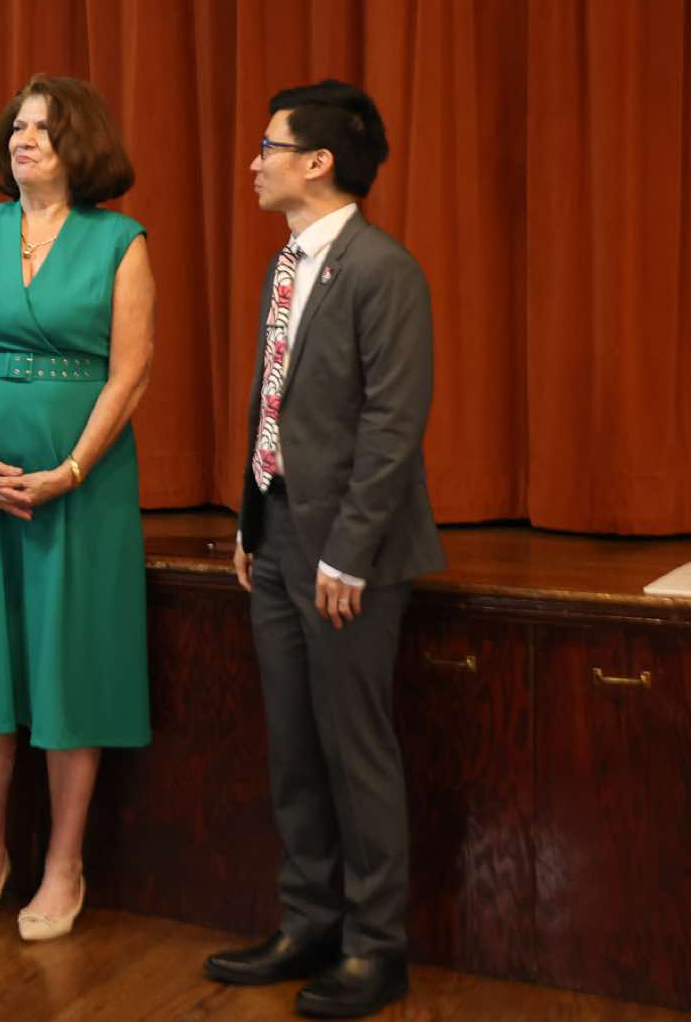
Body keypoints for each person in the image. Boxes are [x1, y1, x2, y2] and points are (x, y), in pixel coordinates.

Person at [203, 79, 442, 1018]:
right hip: (277, 535)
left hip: (351, 553)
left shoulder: (384, 269)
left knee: (355, 748)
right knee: (294, 746)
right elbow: (276, 401)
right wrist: (249, 519)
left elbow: (393, 423)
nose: (254, 162)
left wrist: (346, 552)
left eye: (269, 147)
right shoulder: (286, 263)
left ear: (318, 161)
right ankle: (308, 923)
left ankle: (376, 948)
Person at [0, 74, 155, 939]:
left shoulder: (120, 241)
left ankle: (64, 861)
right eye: (17, 127)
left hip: (79, 486)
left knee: (70, 660)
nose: (23, 139)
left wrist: (71, 469)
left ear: (79, 146)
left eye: (44, 130)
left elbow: (130, 372)